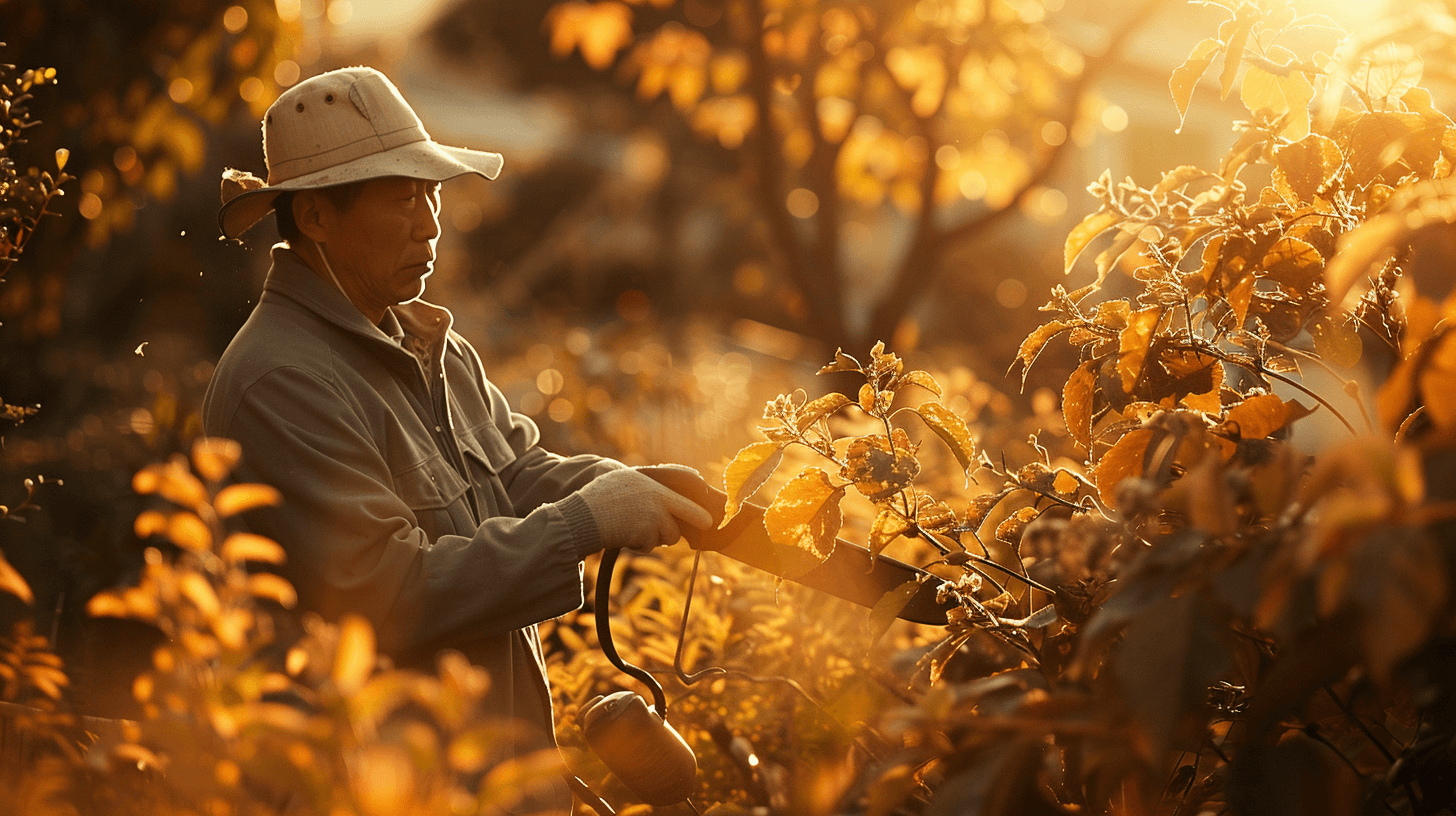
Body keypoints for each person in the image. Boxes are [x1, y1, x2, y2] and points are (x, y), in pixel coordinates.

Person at [202, 67, 712, 808]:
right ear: (314, 218)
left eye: (432, 192)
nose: (431, 223)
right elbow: (387, 591)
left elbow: (517, 474)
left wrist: (632, 485)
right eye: (402, 198)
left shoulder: (427, 342)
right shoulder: (281, 381)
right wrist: (587, 521)